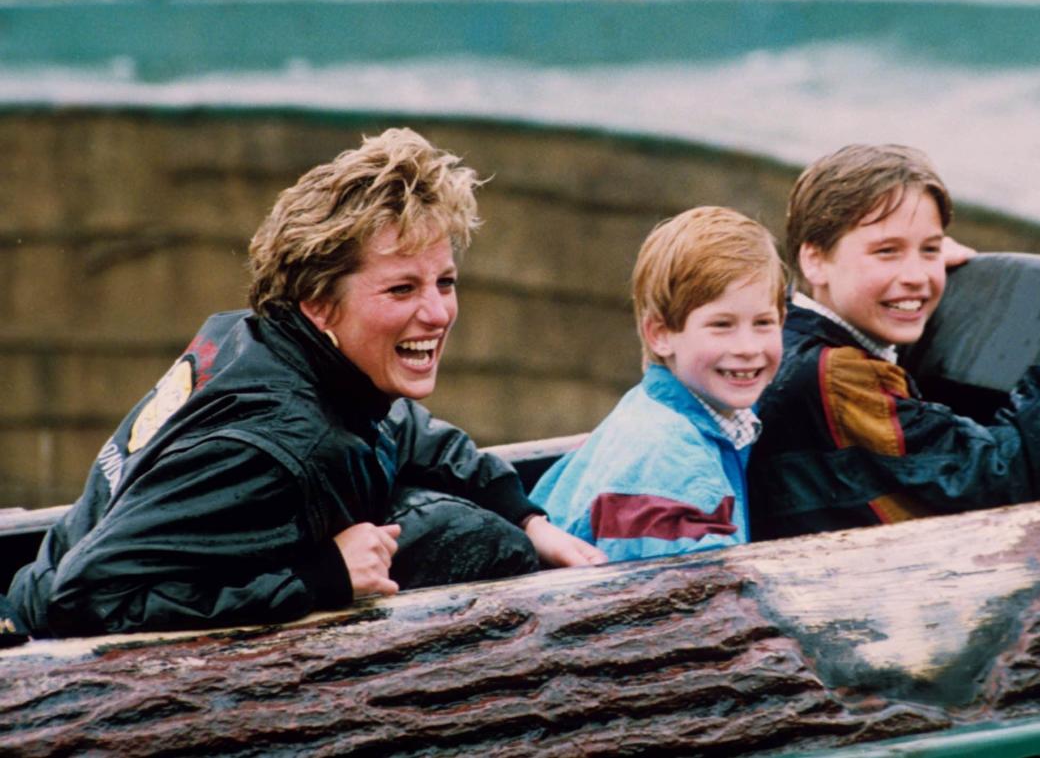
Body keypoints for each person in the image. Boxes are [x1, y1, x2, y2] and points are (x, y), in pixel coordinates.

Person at [8, 128, 603, 638]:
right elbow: (83, 600)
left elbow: (402, 429)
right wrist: (321, 579)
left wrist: (526, 516)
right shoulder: (272, 448)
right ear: (319, 303)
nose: (438, 312)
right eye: (402, 289)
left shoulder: (265, 343)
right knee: (467, 537)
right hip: (50, 662)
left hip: (55, 582)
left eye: (444, 282)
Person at [748, 144, 1040, 538]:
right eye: (886, 251)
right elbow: (999, 479)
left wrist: (901, 265)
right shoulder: (837, 376)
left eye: (929, 249)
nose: (918, 276)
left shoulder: (783, 335)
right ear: (815, 260)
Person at [531, 206, 785, 561]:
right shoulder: (672, 468)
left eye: (763, 323)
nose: (747, 348)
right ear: (661, 334)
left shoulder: (662, 410)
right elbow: (701, 603)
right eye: (721, 325)